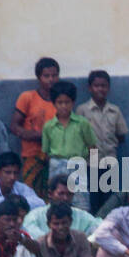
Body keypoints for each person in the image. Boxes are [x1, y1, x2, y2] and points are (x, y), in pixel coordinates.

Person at [40, 80, 99, 209]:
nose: (64, 106)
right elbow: (45, 152)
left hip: (78, 164)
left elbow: (92, 147)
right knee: (57, 200)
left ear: (73, 102)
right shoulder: (48, 126)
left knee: (80, 200)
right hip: (56, 164)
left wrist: (91, 169)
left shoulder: (82, 123)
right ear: (54, 103)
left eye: (67, 102)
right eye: (60, 103)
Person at [9, 57, 60, 193]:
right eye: (46, 76)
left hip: (55, 156)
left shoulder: (61, 101)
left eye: (54, 75)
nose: (51, 79)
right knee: (31, 193)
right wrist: (37, 135)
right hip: (32, 155)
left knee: (53, 192)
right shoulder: (28, 97)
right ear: (38, 77)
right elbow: (14, 126)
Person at [75, 69, 127, 166]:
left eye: (103, 86)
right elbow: (76, 137)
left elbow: (121, 136)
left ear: (108, 88)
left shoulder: (115, 111)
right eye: (96, 86)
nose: (100, 89)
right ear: (90, 88)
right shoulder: (82, 110)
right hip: (89, 162)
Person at [22, 174, 99, 240]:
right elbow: (29, 232)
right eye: (61, 193)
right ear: (50, 194)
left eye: (69, 194)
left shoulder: (81, 215)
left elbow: (99, 227)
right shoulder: (35, 216)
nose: (65, 198)